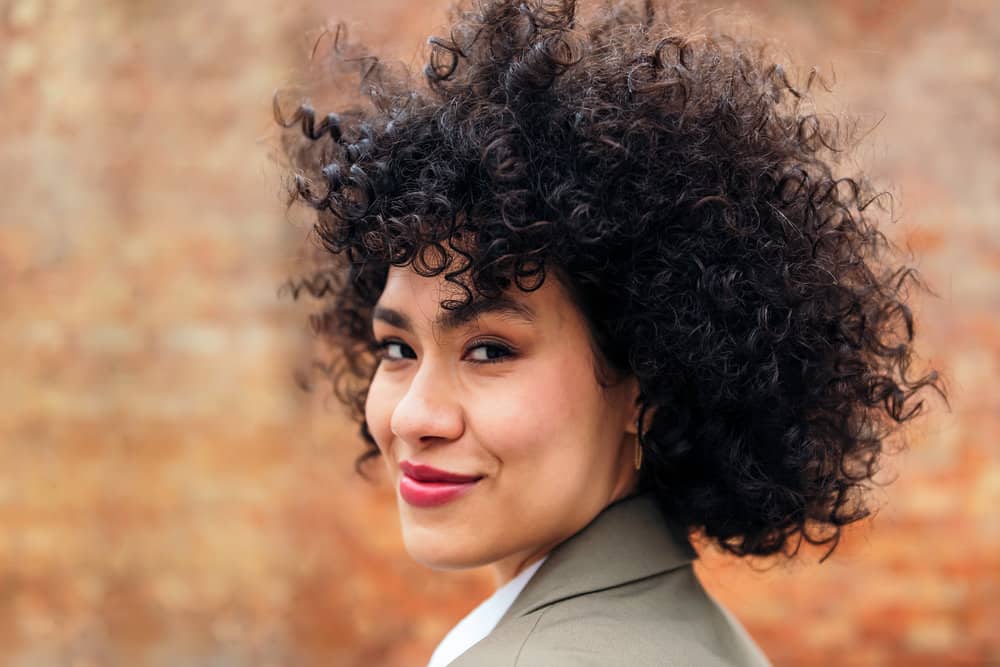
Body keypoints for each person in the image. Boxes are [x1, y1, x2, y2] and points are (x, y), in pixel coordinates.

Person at [275, 0, 941, 664]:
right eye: (398, 348)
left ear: (645, 380)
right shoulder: (695, 633)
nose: (415, 414)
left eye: (489, 349)